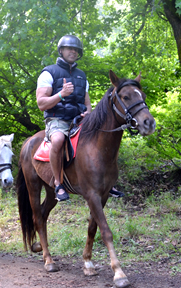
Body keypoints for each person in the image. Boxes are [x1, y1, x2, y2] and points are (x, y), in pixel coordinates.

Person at [36, 35, 125, 201]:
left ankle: (106, 182)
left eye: (76, 50)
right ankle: (58, 182)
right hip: (57, 119)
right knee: (58, 140)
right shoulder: (48, 73)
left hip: (79, 120)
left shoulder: (81, 76)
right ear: (61, 50)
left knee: (101, 138)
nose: (73, 52)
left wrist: (88, 114)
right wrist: (61, 94)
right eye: (70, 48)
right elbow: (41, 103)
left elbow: (87, 103)